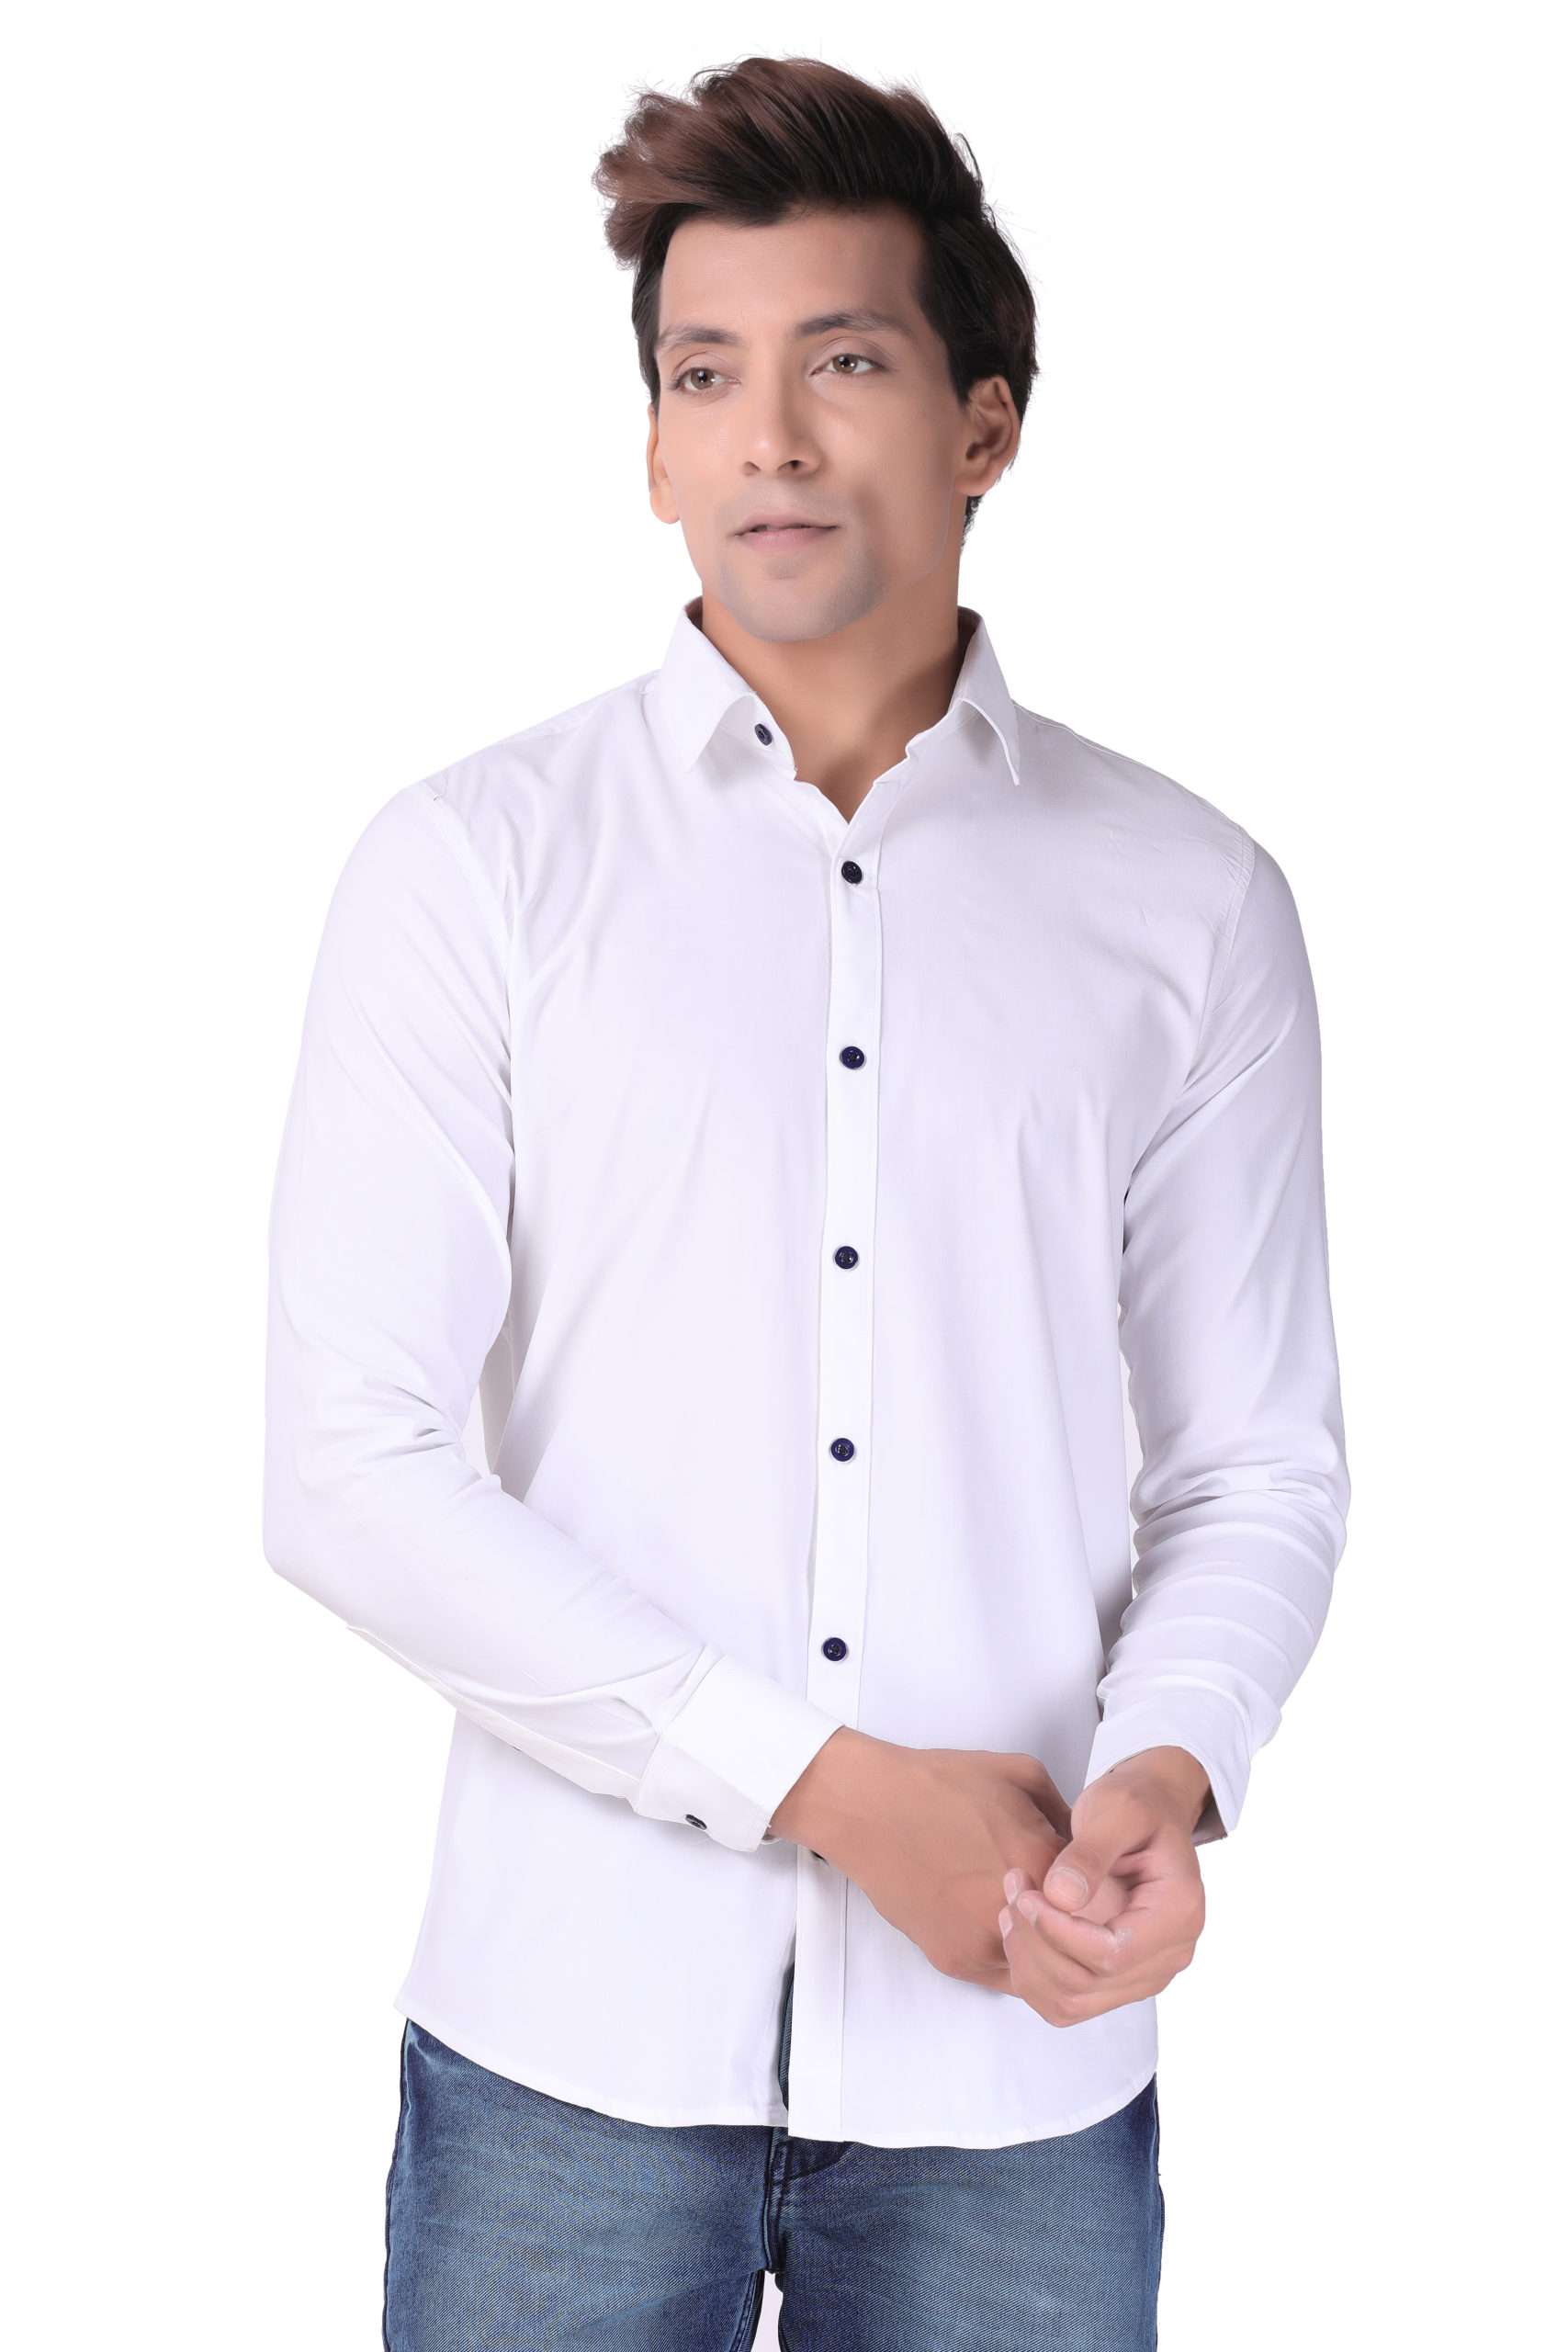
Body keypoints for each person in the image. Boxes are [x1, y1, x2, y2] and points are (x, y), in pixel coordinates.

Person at [262, 52, 1350, 2350]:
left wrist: (1165, 1772)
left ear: (981, 424)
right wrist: (832, 1792)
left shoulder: (1187, 904)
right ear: (651, 446)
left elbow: (1252, 1462)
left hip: (1014, 2048)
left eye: (839, 363)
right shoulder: (472, 869)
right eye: (703, 375)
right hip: (565, 2037)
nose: (764, 437)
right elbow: (347, 1464)